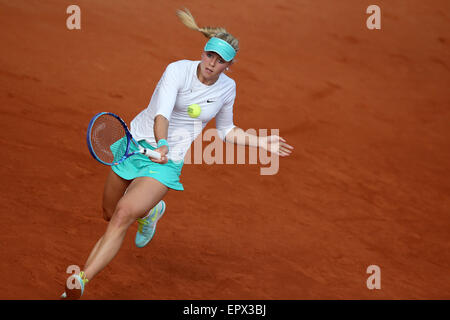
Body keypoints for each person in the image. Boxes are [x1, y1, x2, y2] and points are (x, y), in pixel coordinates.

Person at [61, 8, 293, 299]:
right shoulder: (177, 70)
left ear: (228, 67)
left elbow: (226, 131)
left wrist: (261, 142)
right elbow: (163, 113)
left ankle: (81, 280)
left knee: (122, 214)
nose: (212, 64)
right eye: (210, 55)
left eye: (221, 61)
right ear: (203, 52)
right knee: (109, 213)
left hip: (166, 162)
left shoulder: (227, 89)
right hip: (135, 145)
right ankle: (151, 212)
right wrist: (161, 143)